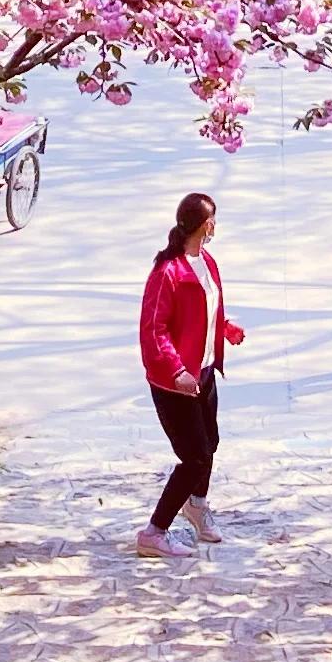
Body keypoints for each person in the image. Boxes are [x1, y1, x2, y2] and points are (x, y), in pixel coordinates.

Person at [133, 189, 244, 554]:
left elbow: (205, 308)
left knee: (209, 445)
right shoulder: (168, 272)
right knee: (194, 456)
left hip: (205, 372)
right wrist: (177, 369)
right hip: (175, 382)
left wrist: (225, 328)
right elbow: (153, 330)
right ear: (206, 224)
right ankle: (153, 532)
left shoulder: (206, 262)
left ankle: (196, 507)